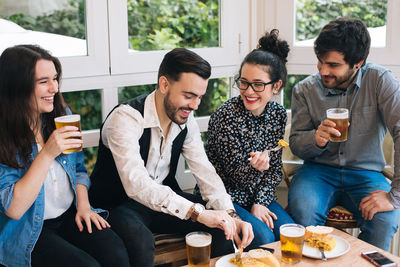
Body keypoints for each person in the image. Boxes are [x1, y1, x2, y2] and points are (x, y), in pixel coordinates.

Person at [88, 48, 254, 266]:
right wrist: (198, 212)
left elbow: (205, 172)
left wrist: (231, 216)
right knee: (140, 241)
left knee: (222, 229)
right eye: (188, 96)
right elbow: (136, 185)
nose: (195, 105)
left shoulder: (186, 119)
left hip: (163, 202)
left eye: (199, 97)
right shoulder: (126, 118)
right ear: (164, 85)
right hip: (118, 205)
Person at [0, 45, 130, 267]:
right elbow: (14, 208)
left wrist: (84, 206)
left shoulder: (60, 115)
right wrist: (48, 152)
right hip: (28, 230)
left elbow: (79, 169)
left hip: (69, 214)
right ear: (17, 87)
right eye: (44, 81)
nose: (54, 88)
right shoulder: (5, 135)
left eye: (55, 78)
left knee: (116, 254)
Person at [288, 17, 400, 250]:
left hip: (366, 172)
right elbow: (297, 144)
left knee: (385, 220)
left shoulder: (380, 81)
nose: (323, 71)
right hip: (317, 172)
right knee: (302, 212)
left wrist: (394, 196)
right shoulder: (304, 90)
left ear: (358, 63)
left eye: (333, 65)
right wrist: (315, 140)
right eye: (320, 62)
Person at [202, 29, 294, 250]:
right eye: (243, 82)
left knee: (289, 234)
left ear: (277, 86)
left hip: (256, 196)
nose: (248, 91)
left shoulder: (278, 114)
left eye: (258, 84)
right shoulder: (226, 116)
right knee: (262, 238)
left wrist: (260, 203)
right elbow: (234, 177)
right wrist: (254, 169)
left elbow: (273, 170)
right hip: (225, 196)